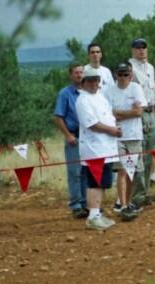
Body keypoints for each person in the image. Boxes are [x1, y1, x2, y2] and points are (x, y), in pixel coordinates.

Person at [75, 67, 121, 231]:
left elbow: (108, 116)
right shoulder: (83, 100)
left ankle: (97, 213)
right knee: (95, 183)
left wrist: (115, 127)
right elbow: (92, 124)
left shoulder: (100, 97)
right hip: (94, 149)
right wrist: (111, 130)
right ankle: (93, 216)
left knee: (102, 183)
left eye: (97, 80)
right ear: (84, 82)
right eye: (91, 80)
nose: (95, 83)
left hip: (106, 147)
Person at [105, 61, 146, 220]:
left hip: (134, 135)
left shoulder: (136, 88)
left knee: (132, 172)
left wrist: (119, 113)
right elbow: (108, 113)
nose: (123, 78)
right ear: (116, 75)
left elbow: (139, 112)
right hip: (117, 136)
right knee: (122, 171)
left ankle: (127, 203)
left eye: (126, 75)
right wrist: (130, 111)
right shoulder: (109, 91)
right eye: (120, 74)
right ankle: (122, 205)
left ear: (130, 75)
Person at [53, 62, 88, 218]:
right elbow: (58, 117)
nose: (79, 75)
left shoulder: (89, 93)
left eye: (81, 72)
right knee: (75, 172)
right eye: (76, 72)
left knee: (88, 171)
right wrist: (68, 135)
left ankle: (88, 204)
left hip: (89, 137)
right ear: (70, 75)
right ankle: (76, 205)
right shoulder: (65, 94)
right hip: (73, 136)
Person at [128, 38, 155, 206]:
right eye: (138, 48)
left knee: (149, 153)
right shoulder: (128, 67)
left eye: (144, 47)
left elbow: (151, 91)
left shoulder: (150, 68)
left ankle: (145, 190)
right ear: (133, 50)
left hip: (150, 111)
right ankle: (137, 194)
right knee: (138, 154)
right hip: (137, 113)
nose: (141, 50)